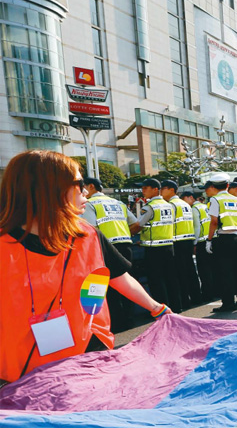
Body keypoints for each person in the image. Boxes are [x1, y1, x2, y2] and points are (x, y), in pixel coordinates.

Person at [0, 151, 169, 383]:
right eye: (78, 184)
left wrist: (157, 308)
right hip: (22, 371)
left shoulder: (88, 235)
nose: (85, 191)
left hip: (89, 354)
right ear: (48, 188)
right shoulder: (4, 244)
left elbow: (118, 276)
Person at [80, 177, 140, 332]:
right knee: (128, 282)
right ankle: (129, 319)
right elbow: (135, 224)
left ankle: (117, 323)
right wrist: (126, 234)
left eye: (84, 187)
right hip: (126, 245)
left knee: (110, 287)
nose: (84, 192)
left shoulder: (90, 204)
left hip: (105, 248)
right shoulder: (118, 203)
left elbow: (90, 229)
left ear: (92, 186)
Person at [135, 178, 182, 313]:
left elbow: (139, 225)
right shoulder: (170, 205)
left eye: (145, 188)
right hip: (169, 245)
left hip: (153, 249)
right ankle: (176, 306)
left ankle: (161, 310)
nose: (143, 191)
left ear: (156, 189)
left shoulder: (149, 207)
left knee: (156, 280)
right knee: (171, 277)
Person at [204, 173, 237, 312]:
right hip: (236, 238)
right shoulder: (236, 200)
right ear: (228, 185)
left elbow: (214, 222)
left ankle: (228, 303)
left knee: (225, 272)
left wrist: (209, 240)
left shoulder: (215, 200)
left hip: (222, 239)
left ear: (213, 187)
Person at [160, 180, 201, 308]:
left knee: (180, 273)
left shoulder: (171, 205)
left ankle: (184, 300)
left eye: (163, 189)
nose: (161, 192)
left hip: (177, 241)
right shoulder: (185, 204)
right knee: (190, 271)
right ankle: (196, 297)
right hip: (188, 240)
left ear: (171, 189)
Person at [184, 192, 214, 303]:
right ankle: (214, 292)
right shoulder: (204, 206)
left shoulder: (195, 209)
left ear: (190, 197)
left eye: (184, 199)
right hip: (210, 240)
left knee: (203, 271)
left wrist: (194, 243)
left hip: (201, 241)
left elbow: (196, 227)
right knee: (211, 269)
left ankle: (207, 294)